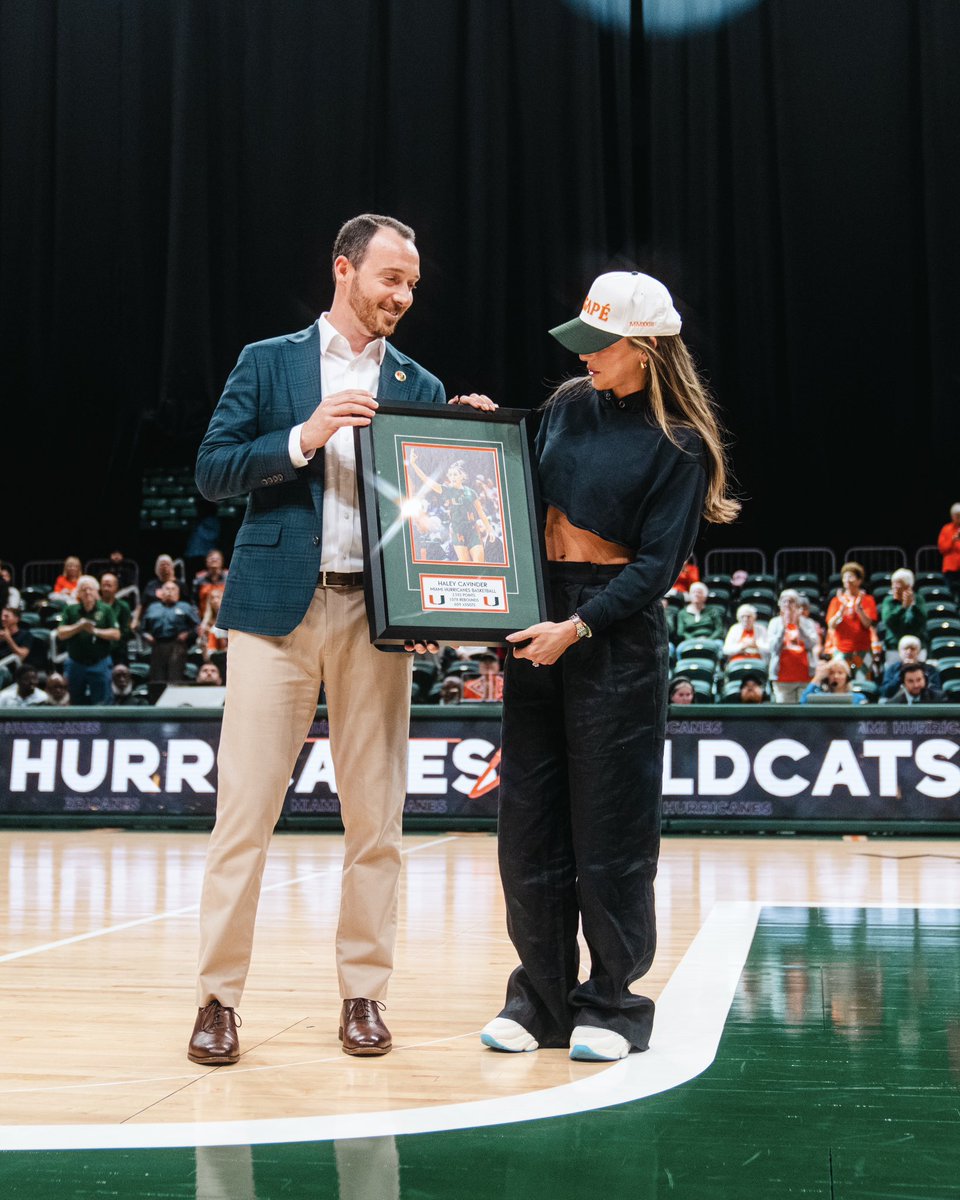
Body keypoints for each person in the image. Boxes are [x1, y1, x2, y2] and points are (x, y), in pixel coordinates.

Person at [187, 213, 493, 1066]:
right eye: (391, 278)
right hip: (274, 613)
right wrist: (304, 436)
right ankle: (216, 1001)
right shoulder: (268, 361)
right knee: (243, 817)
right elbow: (212, 471)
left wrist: (466, 445)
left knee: (377, 822)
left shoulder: (418, 383)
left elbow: (433, 516)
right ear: (344, 269)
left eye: (412, 286)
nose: (403, 297)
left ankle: (364, 995)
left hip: (376, 621)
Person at [480, 269, 738, 1063]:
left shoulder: (682, 446)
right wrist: (479, 437)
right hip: (540, 615)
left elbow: (656, 570)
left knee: (611, 834)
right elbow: (513, 495)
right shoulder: (565, 406)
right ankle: (539, 999)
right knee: (528, 827)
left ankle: (614, 1005)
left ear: (646, 350)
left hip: (612, 635)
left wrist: (578, 626)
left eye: (601, 344)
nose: (585, 355)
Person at [55, 576, 120, 704]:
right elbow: (61, 633)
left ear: (96, 592)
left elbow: (116, 634)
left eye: (91, 589)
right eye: (84, 590)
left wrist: (95, 631)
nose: (87, 592)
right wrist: (79, 627)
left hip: (100, 663)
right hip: (75, 663)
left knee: (102, 702)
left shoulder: (106, 609)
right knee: (74, 701)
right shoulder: (71, 610)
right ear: (78, 593)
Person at [824, 561, 878, 679]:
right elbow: (831, 625)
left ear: (859, 580)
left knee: (863, 681)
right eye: (845, 577)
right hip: (841, 650)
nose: (847, 580)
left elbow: (867, 624)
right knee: (840, 680)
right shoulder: (836, 601)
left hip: (863, 649)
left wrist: (859, 608)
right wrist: (840, 611)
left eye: (851, 577)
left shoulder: (868, 600)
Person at [141, 581, 200, 685]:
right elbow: (142, 628)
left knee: (175, 678)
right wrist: (146, 636)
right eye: (167, 589)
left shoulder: (185, 607)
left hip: (177, 644)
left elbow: (197, 627)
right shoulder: (152, 607)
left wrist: (188, 634)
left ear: (178, 593)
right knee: (157, 679)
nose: (170, 592)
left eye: (173, 589)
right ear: (161, 592)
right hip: (157, 644)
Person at [767, 589, 819, 703]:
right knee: (785, 712)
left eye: (791, 601)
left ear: (797, 605)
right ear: (779, 604)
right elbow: (772, 648)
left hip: (805, 677)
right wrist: (783, 628)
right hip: (782, 678)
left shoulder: (807, 622)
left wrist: (799, 626)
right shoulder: (774, 623)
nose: (787, 604)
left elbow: (812, 644)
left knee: (804, 709)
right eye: (784, 601)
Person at [880, 568, 928, 655]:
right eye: (893, 583)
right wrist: (903, 607)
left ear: (908, 586)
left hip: (916, 647)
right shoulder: (888, 601)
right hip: (894, 647)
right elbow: (888, 621)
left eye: (898, 584)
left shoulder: (918, 600)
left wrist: (913, 606)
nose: (894, 587)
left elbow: (922, 620)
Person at [879, 635, 942, 699]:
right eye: (905, 649)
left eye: (913, 649)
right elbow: (885, 692)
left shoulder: (930, 669)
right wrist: (900, 674)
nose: (909, 652)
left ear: (918, 652)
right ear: (900, 652)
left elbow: (936, 690)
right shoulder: (892, 669)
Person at [99, 571, 134, 664]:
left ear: (116, 588)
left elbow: (126, 631)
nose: (106, 588)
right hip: (98, 650)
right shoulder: (95, 606)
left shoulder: (123, 606)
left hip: (118, 651)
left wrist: (112, 643)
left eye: (109, 585)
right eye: (104, 585)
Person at [800, 658, 868, 704]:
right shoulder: (820, 697)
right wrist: (817, 677)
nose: (836, 676)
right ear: (827, 678)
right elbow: (803, 701)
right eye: (831, 673)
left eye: (840, 673)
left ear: (847, 678)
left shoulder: (858, 698)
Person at [937, 502, 960, 595]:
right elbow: (942, 549)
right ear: (952, 516)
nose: (959, 518)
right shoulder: (946, 529)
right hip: (950, 569)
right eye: (957, 516)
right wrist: (953, 540)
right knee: (949, 594)